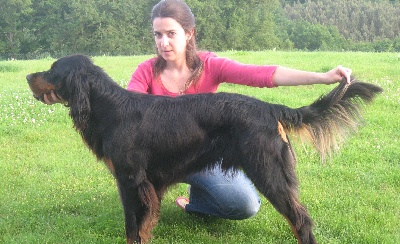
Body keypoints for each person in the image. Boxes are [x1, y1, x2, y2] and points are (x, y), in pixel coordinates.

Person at [44, 0, 352, 220]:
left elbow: (263, 74)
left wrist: (324, 77)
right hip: (164, 158)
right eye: (157, 34)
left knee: (244, 205)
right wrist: (69, 96)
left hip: (208, 154)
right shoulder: (145, 71)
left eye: (171, 33)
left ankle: (196, 202)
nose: (163, 42)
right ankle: (158, 201)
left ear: (189, 33)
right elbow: (125, 117)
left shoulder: (210, 65)